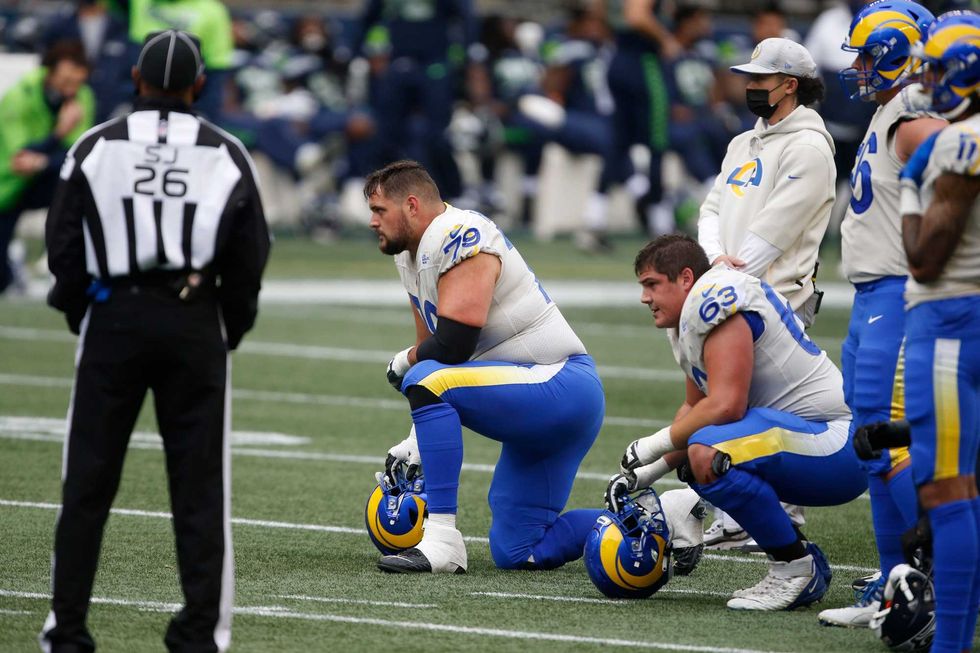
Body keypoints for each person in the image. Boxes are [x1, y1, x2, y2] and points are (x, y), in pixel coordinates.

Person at [40, 30, 270, 652]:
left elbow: (62, 244)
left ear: (136, 79)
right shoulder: (225, 151)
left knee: (86, 483)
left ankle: (68, 630)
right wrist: (229, 325)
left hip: (115, 316)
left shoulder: (96, 145)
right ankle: (198, 634)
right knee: (199, 488)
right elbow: (250, 256)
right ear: (198, 85)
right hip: (193, 321)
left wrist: (80, 309)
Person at [366, 159, 605, 573]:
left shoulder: (461, 233)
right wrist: (416, 439)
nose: (371, 221)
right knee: (519, 551)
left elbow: (454, 345)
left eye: (378, 210)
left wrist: (404, 361)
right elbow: (434, 349)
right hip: (534, 398)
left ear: (411, 206)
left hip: (563, 386)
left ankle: (442, 539)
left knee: (422, 378)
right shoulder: (410, 257)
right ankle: (648, 525)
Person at [610, 234, 867, 610]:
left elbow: (727, 406)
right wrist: (647, 471)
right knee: (700, 451)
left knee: (707, 453)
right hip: (803, 440)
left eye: (652, 284)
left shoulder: (712, 301)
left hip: (837, 443)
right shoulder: (688, 317)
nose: (644, 297)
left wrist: (652, 444)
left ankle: (794, 568)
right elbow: (695, 408)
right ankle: (796, 566)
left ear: (685, 278)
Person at [818, 0, 946, 629]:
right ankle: (890, 584)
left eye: (869, 53)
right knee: (872, 448)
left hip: (899, 296)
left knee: (888, 443)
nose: (861, 66)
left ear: (900, 51)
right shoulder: (889, 110)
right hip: (873, 297)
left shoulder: (914, 116)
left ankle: (940, 575)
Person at [899, 11, 980, 652]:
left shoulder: (959, 142)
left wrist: (907, 189)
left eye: (933, 67)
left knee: (948, 490)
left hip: (950, 321)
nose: (926, 78)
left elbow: (924, 260)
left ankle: (951, 644)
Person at [698, 37, 835, 327]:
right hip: (728, 292)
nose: (750, 86)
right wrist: (715, 258)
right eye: (750, 78)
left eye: (760, 78)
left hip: (776, 305)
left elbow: (773, 232)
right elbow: (710, 209)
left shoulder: (809, 148)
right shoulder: (742, 143)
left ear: (790, 85)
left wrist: (724, 281)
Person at [0, 40, 94, 295]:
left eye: (76, 83)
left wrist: (42, 160)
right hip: (6, 186)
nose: (70, 90)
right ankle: (13, 264)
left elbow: (78, 154)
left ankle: (64, 266)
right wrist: (58, 134)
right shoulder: (19, 96)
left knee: (80, 190)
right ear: (50, 73)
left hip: (47, 178)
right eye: (65, 82)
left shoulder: (83, 96)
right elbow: (18, 158)